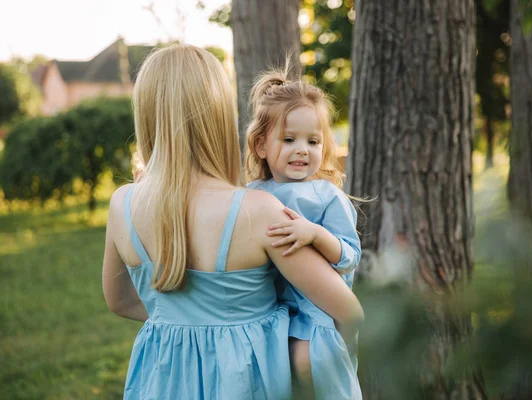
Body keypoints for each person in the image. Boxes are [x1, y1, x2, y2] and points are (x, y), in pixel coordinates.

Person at [101, 44, 363, 399]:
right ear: (219, 114)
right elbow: (349, 312)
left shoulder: (123, 203)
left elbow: (121, 302)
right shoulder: (258, 211)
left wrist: (188, 328)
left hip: (161, 381)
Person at [245, 67, 362, 399]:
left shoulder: (326, 196)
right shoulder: (252, 193)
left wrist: (315, 234)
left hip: (316, 313)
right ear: (260, 146)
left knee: (308, 365)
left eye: (313, 141)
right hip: (269, 311)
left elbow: (349, 256)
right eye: (288, 139)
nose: (302, 149)